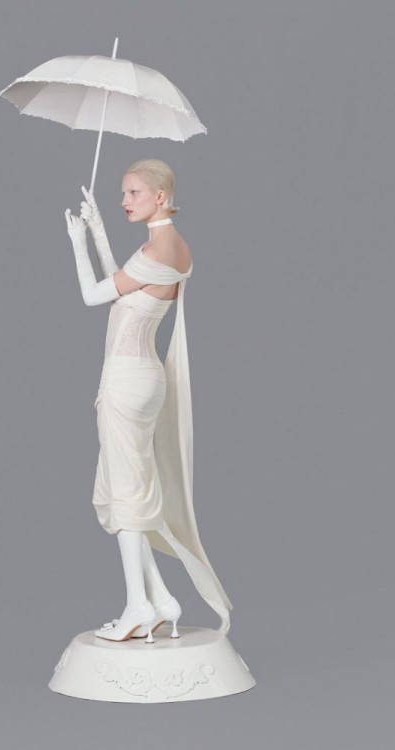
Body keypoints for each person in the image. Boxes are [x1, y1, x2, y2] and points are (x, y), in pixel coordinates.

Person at [64, 159, 233, 643]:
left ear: (160, 196)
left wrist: (76, 242)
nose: (124, 201)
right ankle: (160, 600)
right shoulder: (173, 246)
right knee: (129, 485)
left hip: (126, 379)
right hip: (144, 376)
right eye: (123, 193)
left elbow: (94, 295)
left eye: (134, 192)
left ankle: (138, 605)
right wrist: (99, 232)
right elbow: (126, 285)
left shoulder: (158, 248)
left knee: (126, 491)